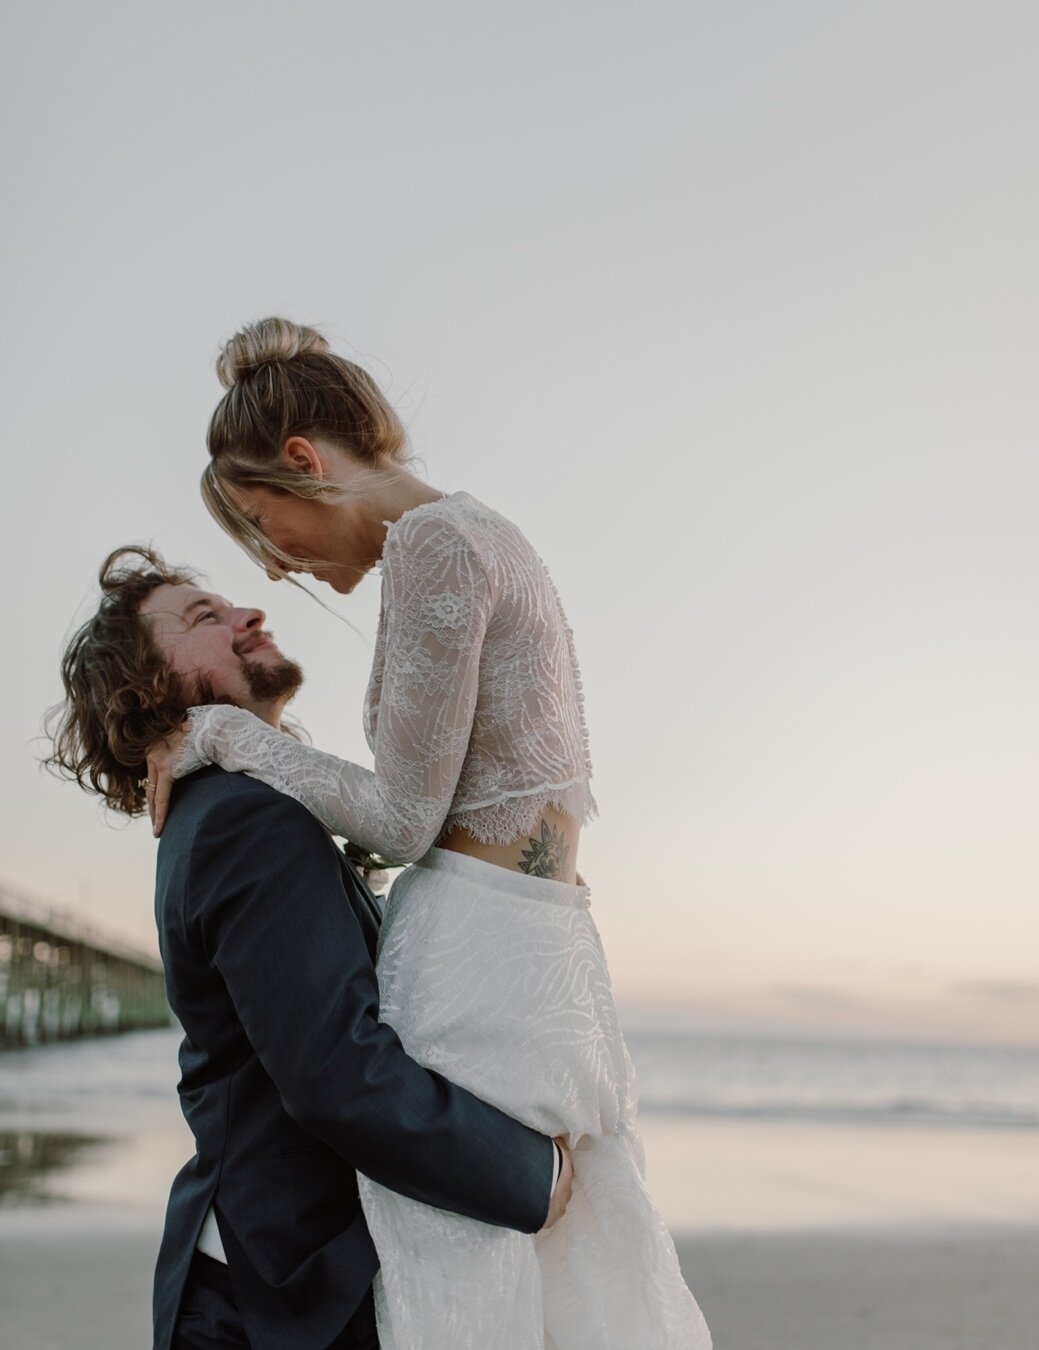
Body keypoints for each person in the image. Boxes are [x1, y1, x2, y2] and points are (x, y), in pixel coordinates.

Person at [147, 317, 711, 1350]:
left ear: (304, 463)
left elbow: (405, 820)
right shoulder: (482, 529)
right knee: (546, 1278)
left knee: (457, 1290)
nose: (275, 570)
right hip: (541, 941)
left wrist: (226, 734)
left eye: (263, 526)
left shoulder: (433, 547)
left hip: (480, 953)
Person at [46, 545, 573, 1350]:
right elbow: (339, 1075)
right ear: (148, 688)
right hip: (273, 1302)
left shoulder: (225, 811)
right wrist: (533, 1176)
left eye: (230, 606)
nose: (247, 615)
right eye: (203, 619)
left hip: (257, 1286)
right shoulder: (243, 820)